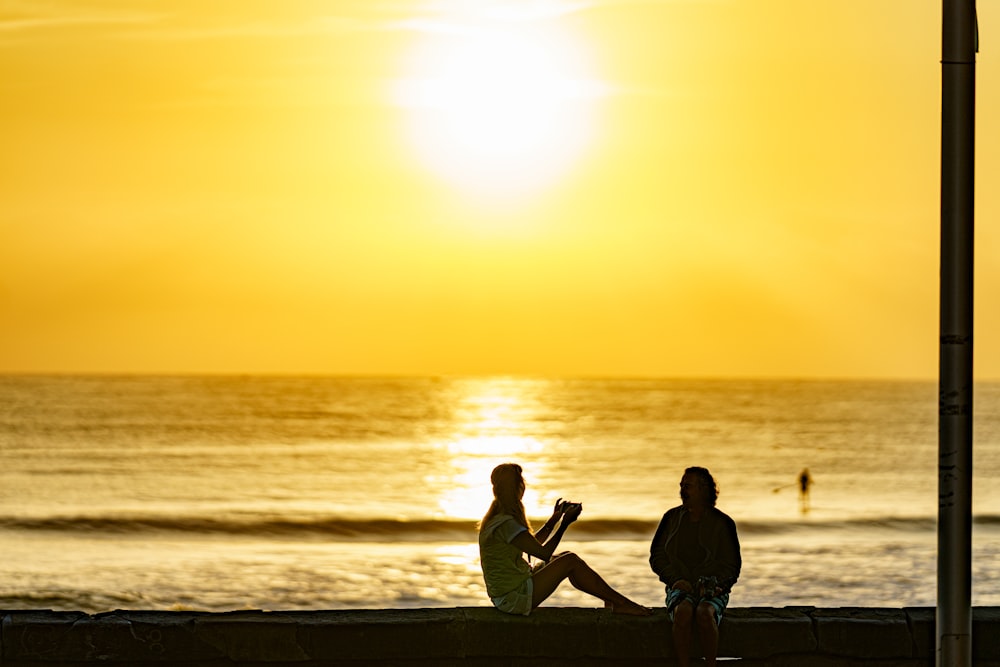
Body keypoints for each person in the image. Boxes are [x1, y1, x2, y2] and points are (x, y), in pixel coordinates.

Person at [478, 462, 651, 616]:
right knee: (570, 561)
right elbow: (544, 553)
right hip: (514, 598)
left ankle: (611, 600)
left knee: (564, 557)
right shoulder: (506, 523)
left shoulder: (497, 517)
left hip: (507, 595)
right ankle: (621, 603)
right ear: (517, 488)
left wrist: (554, 520)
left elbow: (530, 544)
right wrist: (565, 524)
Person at [649, 467, 741, 667]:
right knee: (683, 612)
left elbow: (732, 565)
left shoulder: (723, 523)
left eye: (688, 486)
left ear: (704, 489)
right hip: (680, 585)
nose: (682, 490)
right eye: (681, 485)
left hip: (713, 587)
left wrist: (718, 586)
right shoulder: (671, 518)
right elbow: (657, 556)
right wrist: (675, 580)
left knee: (704, 613)